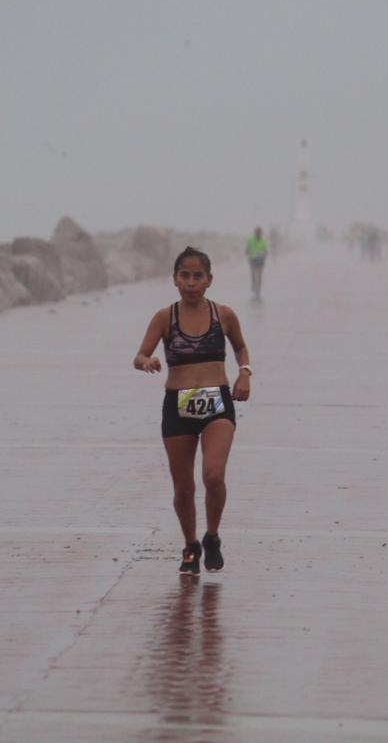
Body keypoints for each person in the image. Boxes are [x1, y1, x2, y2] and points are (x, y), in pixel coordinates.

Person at [134, 247, 253, 575]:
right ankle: (191, 545)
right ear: (174, 279)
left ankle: (212, 536)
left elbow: (240, 346)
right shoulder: (164, 318)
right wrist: (148, 361)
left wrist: (245, 372)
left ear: (209, 280)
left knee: (213, 475)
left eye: (197, 276)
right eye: (184, 276)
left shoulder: (223, 315)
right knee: (183, 486)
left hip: (217, 401)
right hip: (178, 405)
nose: (191, 282)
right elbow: (139, 355)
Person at [245, 227, 268, 298]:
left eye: (259, 233)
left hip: (260, 260)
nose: (258, 234)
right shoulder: (251, 240)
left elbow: (266, 250)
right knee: (253, 273)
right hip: (253, 260)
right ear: (255, 233)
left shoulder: (263, 241)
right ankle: (254, 284)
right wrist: (249, 253)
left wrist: (263, 255)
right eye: (257, 233)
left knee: (260, 274)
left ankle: (259, 287)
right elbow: (247, 249)